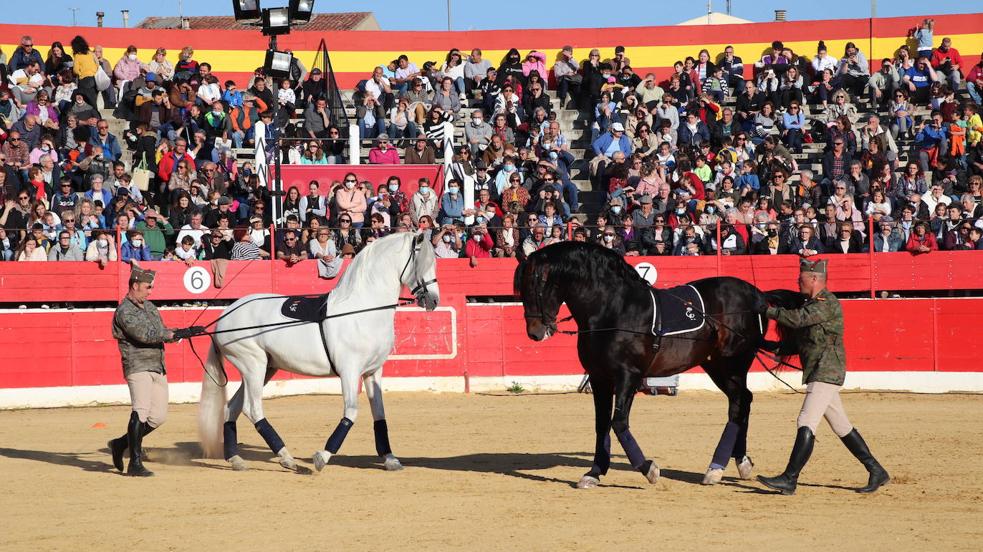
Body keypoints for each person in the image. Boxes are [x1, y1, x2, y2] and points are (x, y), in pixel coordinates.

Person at [757, 260, 890, 495]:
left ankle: (790, 478)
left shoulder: (826, 302)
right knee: (842, 426)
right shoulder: (813, 305)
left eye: (801, 279)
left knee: (806, 421)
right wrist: (764, 345)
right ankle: (877, 471)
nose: (798, 282)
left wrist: (765, 310)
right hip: (821, 370)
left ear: (815, 279)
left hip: (826, 370)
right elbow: (800, 341)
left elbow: (796, 320)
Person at [108, 267, 194, 477]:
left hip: (157, 365)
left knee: (158, 417)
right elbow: (144, 335)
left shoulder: (150, 307)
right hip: (137, 366)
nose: (150, 291)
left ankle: (120, 444)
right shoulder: (124, 311)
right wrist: (173, 334)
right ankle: (134, 464)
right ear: (134, 285)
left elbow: (160, 331)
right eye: (147, 287)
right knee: (141, 411)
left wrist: (184, 332)